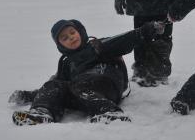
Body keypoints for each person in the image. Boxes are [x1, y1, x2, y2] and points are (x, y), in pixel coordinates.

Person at [9, 18, 165, 125]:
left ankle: (110, 112)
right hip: (82, 92)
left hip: (108, 86)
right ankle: (41, 113)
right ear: (60, 45)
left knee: (80, 85)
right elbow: (55, 86)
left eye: (72, 32)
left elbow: (125, 39)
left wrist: (147, 30)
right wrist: (28, 96)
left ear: (80, 31)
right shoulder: (66, 63)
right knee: (55, 84)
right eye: (64, 38)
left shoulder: (98, 45)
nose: (70, 37)